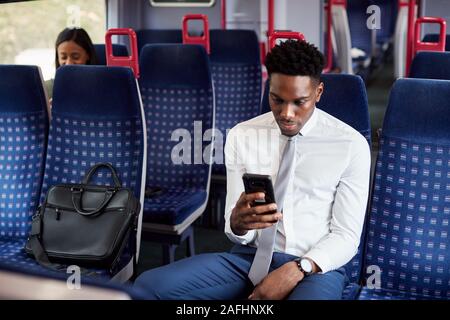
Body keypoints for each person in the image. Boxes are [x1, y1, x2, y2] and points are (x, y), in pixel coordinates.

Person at [133, 40, 371, 300]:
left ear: (318, 92)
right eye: (277, 100)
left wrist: (299, 268)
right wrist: (238, 224)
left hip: (316, 267)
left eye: (299, 102)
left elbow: (346, 236)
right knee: (148, 288)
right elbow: (235, 231)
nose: (287, 113)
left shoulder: (350, 145)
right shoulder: (242, 135)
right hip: (249, 259)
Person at [45, 27, 97, 100]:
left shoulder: (99, 88)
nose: (68, 63)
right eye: (63, 57)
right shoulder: (46, 88)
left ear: (88, 55)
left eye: (76, 57)